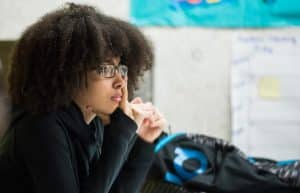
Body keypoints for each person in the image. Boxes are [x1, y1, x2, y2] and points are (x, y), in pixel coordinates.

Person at [0, 3, 166, 193]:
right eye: (105, 69)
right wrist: (121, 133)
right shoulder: (41, 128)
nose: (121, 81)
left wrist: (143, 141)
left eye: (120, 68)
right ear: (69, 74)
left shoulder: (91, 125)